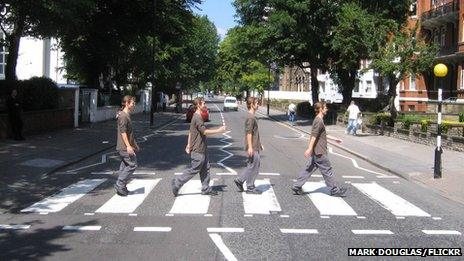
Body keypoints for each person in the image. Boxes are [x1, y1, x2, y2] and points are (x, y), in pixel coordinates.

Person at [172, 97, 226, 196]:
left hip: (202, 147)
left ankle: (205, 188)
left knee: (205, 168)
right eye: (204, 103)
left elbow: (191, 132)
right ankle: (177, 182)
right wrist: (219, 130)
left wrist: (188, 144)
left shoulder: (197, 116)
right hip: (198, 148)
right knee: (195, 168)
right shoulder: (197, 117)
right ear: (198, 105)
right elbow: (204, 132)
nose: (205, 105)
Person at [291, 102, 347, 197]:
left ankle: (296, 186)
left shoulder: (319, 120)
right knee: (327, 170)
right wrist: (309, 149)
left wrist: (335, 139)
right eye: (325, 108)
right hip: (320, 151)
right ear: (320, 109)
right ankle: (334, 190)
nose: (327, 109)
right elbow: (314, 135)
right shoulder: (318, 121)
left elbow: (323, 135)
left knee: (308, 169)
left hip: (317, 151)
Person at [234, 97, 263, 194]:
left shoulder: (252, 116)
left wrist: (260, 144)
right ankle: (250, 187)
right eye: (257, 103)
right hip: (252, 146)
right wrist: (250, 147)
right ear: (251, 104)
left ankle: (240, 180)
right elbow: (249, 133)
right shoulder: (250, 118)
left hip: (255, 145)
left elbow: (254, 133)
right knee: (255, 165)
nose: (258, 105)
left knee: (252, 165)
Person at [114, 95, 139, 196]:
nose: (134, 105)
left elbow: (129, 133)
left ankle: (122, 187)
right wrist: (128, 146)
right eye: (132, 103)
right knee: (133, 165)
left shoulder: (125, 115)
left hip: (125, 146)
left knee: (124, 167)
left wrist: (134, 145)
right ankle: (120, 183)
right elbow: (123, 133)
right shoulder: (123, 116)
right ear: (127, 103)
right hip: (124, 147)